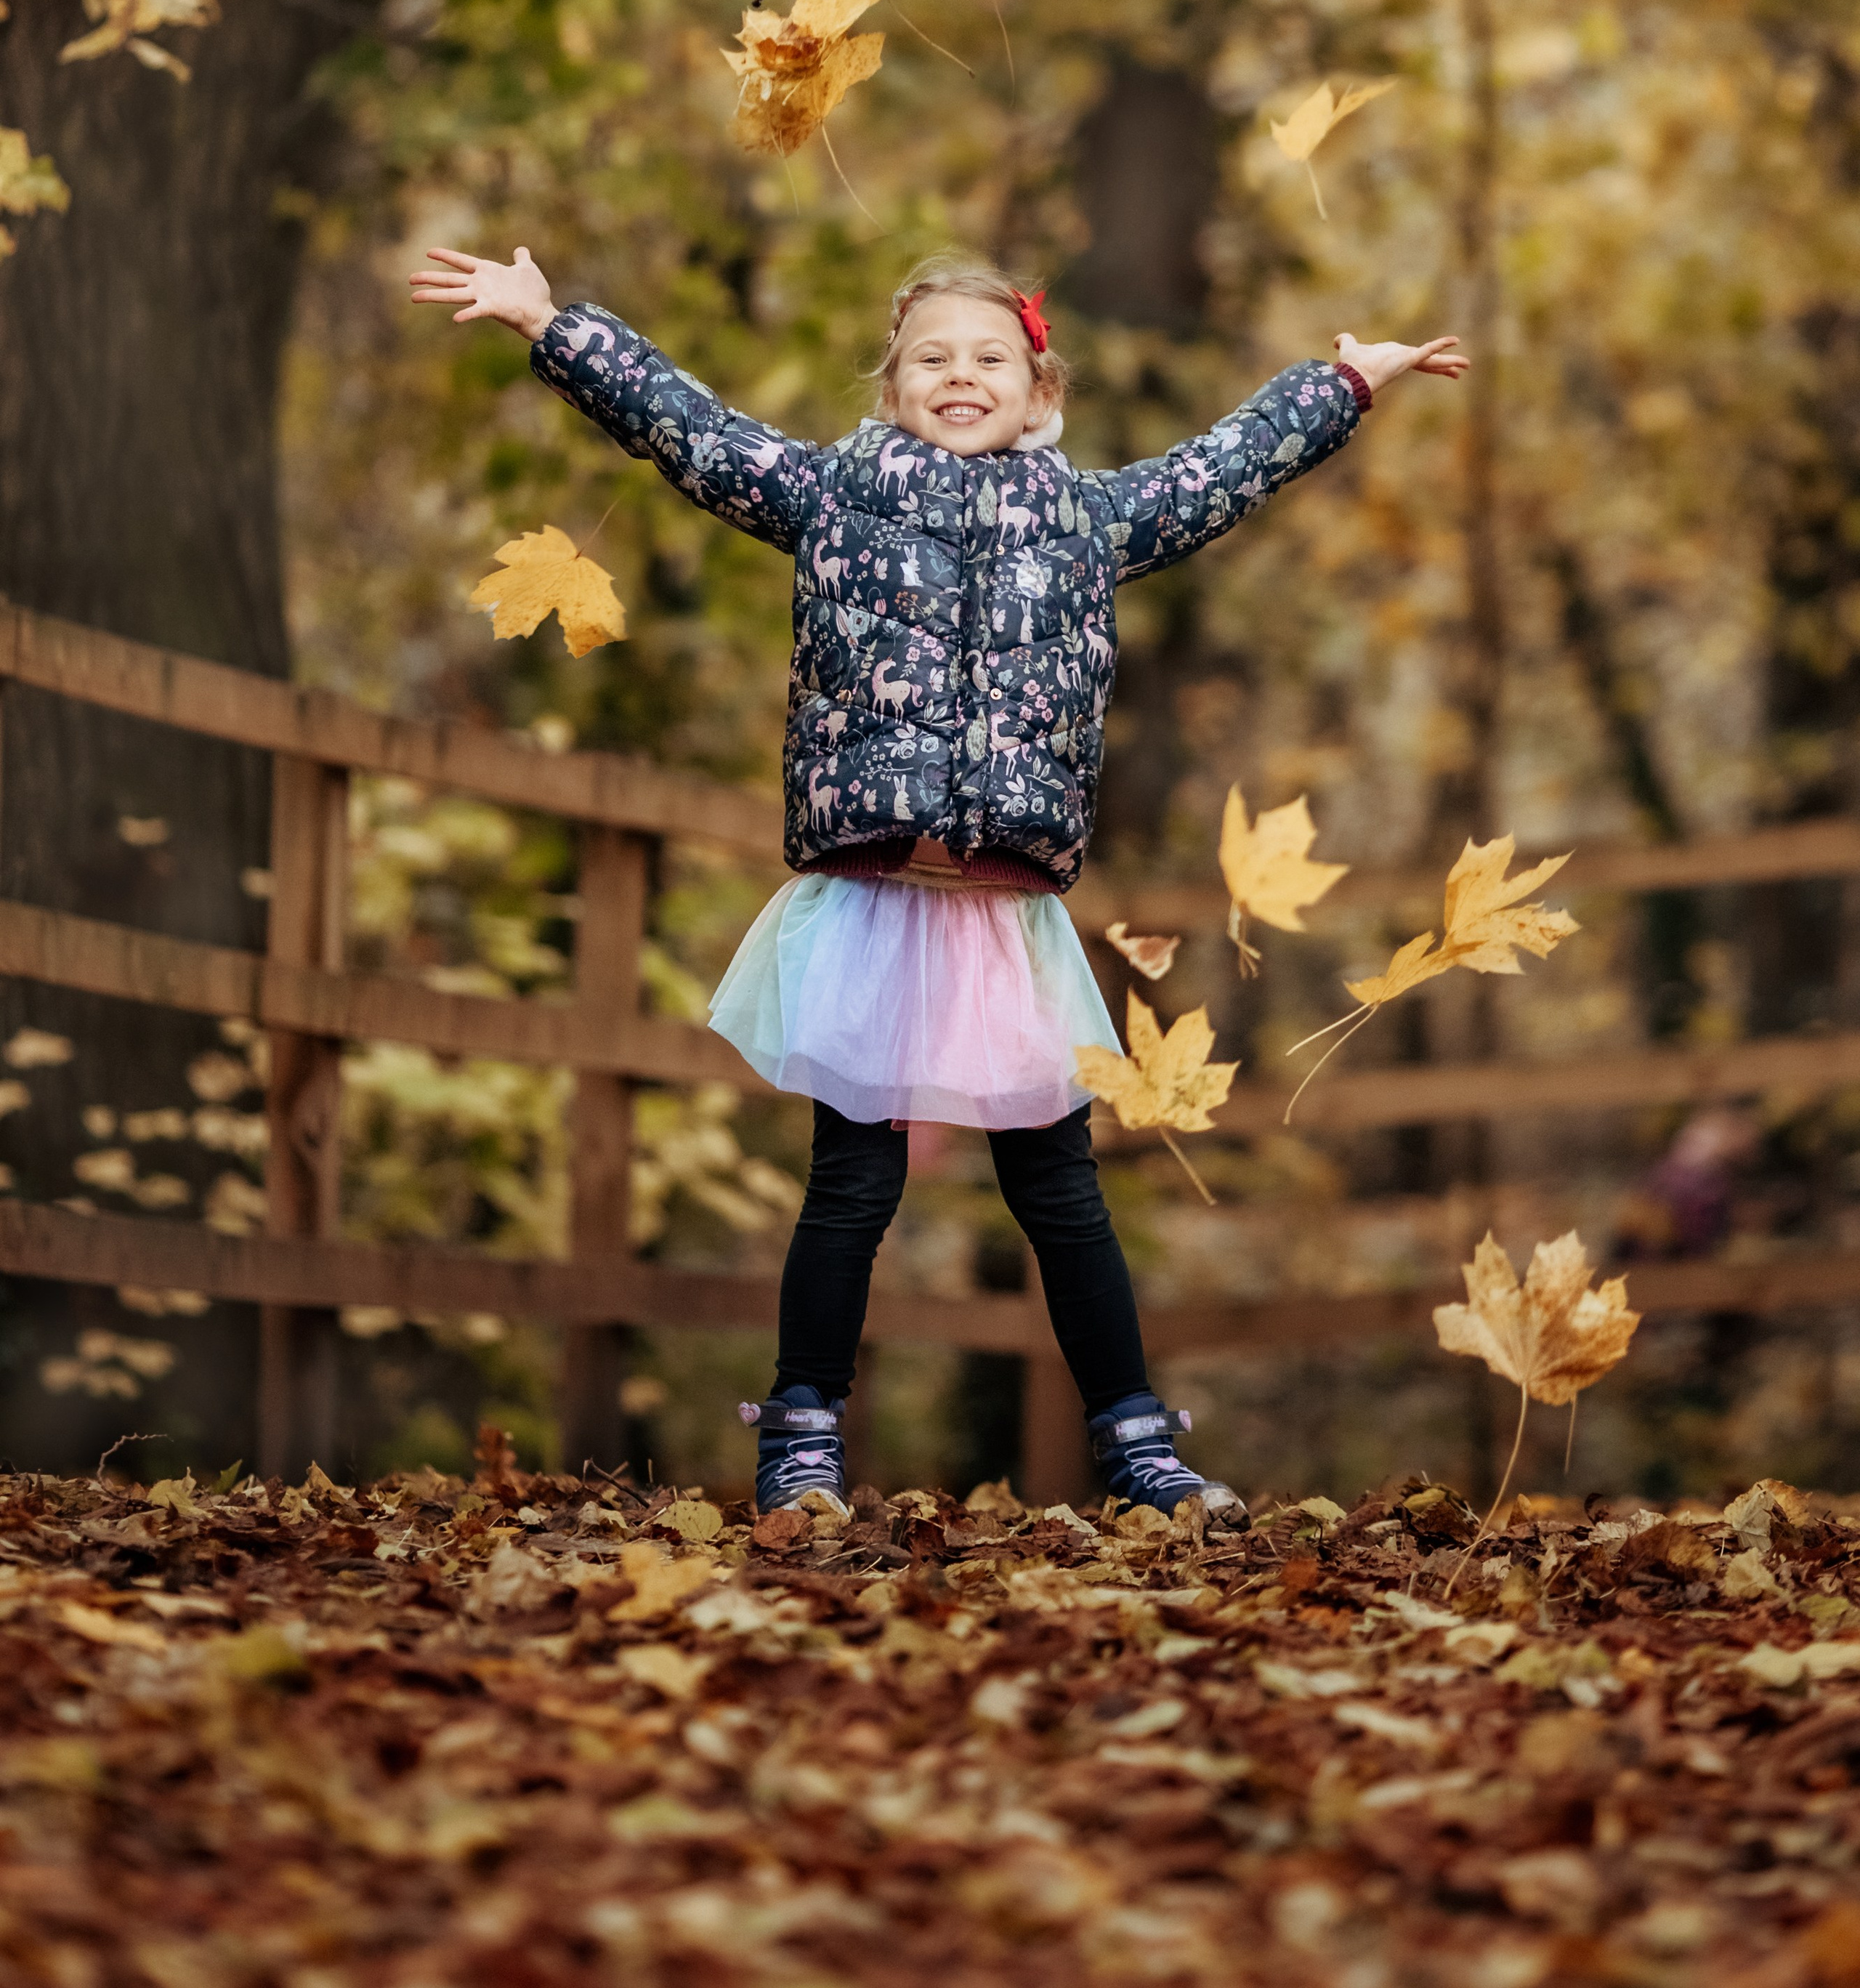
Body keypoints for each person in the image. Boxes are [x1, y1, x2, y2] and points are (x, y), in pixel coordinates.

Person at [411, 241, 1468, 1516]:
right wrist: (552, 325)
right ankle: (802, 1438)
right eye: (931, 360)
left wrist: (1342, 384)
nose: (960, 377)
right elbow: (691, 430)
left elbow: (1220, 470)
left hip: (1003, 915)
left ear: (1039, 391)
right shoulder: (831, 494)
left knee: (1059, 1192)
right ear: (891, 387)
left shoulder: (1089, 519)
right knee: (853, 1184)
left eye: (989, 360)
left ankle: (1138, 1446)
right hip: (875, 900)